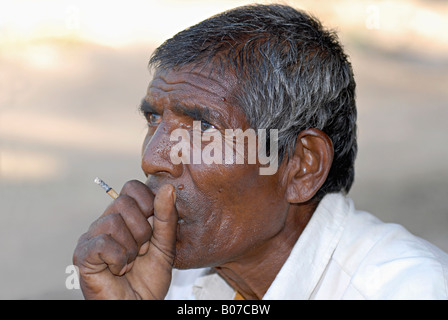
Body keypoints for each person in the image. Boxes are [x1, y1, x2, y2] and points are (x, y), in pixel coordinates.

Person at [73, 4, 448, 299]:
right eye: (154, 118)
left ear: (302, 166)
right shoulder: (170, 281)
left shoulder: (406, 290)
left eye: (204, 128)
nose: (153, 159)